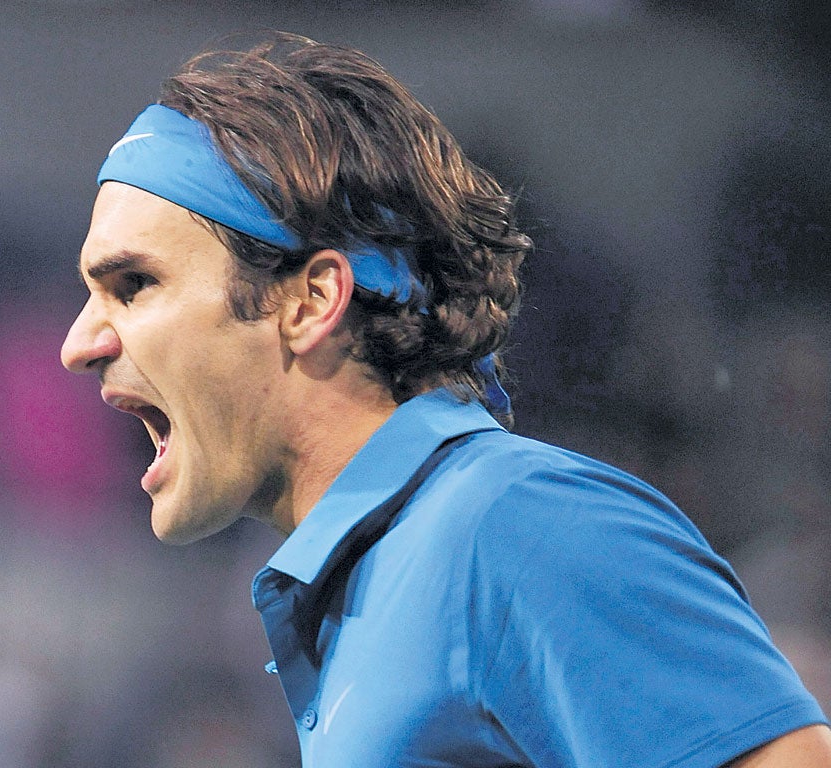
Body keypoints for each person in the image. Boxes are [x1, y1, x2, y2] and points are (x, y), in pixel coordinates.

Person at [60, 32, 831, 767]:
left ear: (310, 301)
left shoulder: (513, 525)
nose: (78, 343)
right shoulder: (380, 577)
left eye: (134, 284)